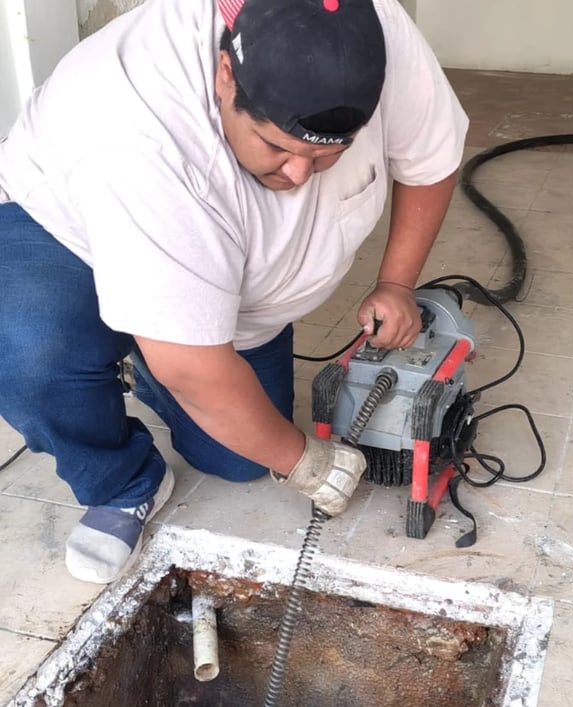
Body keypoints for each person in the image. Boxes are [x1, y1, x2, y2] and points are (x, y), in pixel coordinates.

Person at [0, 0, 468, 584]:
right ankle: (121, 482)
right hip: (64, 231)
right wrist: (304, 461)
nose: (298, 175)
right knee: (32, 355)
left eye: (328, 154)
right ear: (226, 74)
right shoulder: (139, 133)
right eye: (277, 146)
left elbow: (431, 157)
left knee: (239, 457)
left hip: (227, 284)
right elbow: (194, 369)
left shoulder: (371, 34)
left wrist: (396, 282)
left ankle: (154, 347)